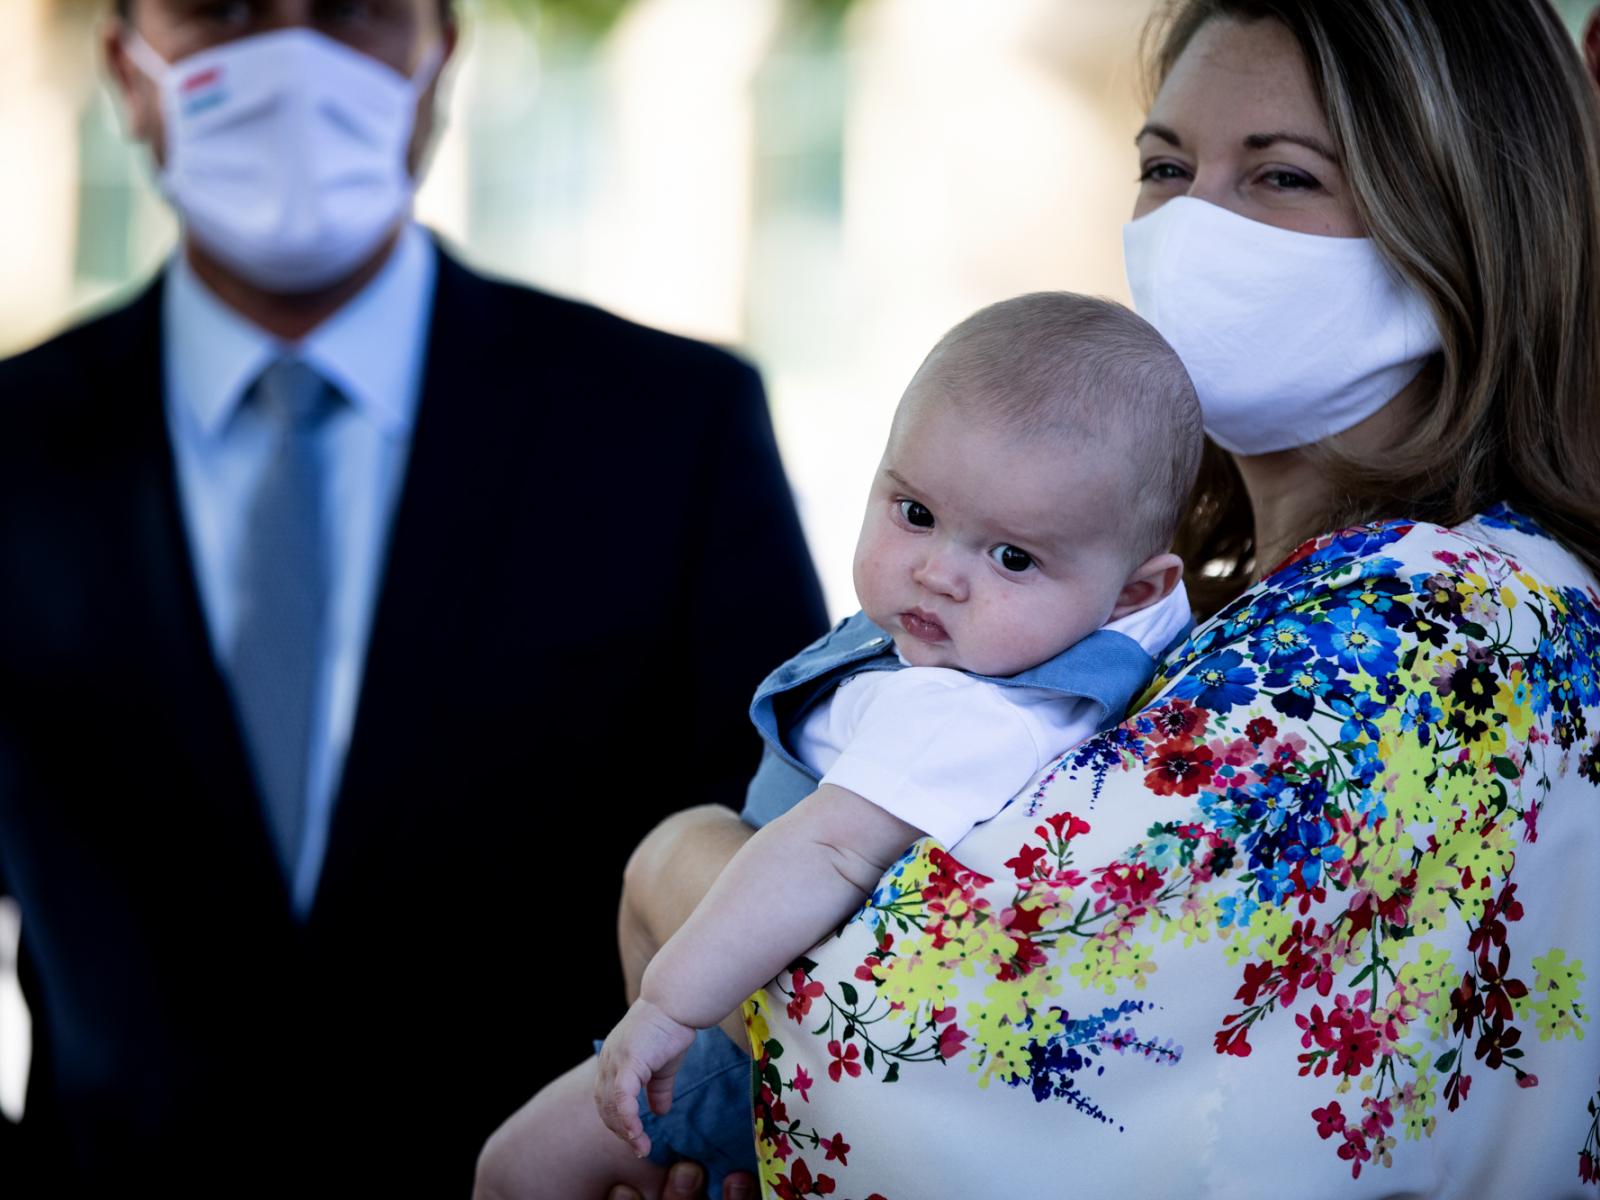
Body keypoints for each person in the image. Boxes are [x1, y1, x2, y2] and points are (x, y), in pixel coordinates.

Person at [480, 0, 1600, 1196]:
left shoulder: (1430, 625)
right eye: (1164, 167)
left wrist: (680, 863)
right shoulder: (1264, 605)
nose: (1193, 226)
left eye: (1279, 176)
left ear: (1466, 219)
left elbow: (958, 1037)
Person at [0, 0, 826, 1194]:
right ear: (126, 70)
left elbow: (774, 852)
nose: (292, 57)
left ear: (440, 58)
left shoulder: (668, 431)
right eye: (219, 9)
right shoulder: (16, 453)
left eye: (352, 8)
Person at [484, 293, 1201, 1198]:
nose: (939, 571)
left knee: (513, 1172)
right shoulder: (1003, 646)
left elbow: (824, 848)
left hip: (729, 1035)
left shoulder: (977, 711)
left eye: (1013, 558)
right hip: (734, 993)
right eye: (914, 512)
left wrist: (668, 1004)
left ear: (1137, 593)